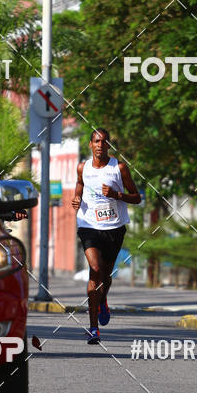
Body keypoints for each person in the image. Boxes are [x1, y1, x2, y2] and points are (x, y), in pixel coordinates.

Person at [72, 128, 140, 344]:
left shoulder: (118, 168)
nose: (100, 145)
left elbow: (136, 197)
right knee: (96, 270)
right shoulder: (83, 167)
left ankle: (102, 300)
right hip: (88, 225)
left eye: (104, 141)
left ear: (109, 145)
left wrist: (116, 195)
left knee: (106, 276)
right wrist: (76, 197)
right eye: (96, 141)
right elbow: (80, 183)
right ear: (90, 145)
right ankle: (94, 329)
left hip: (114, 227)